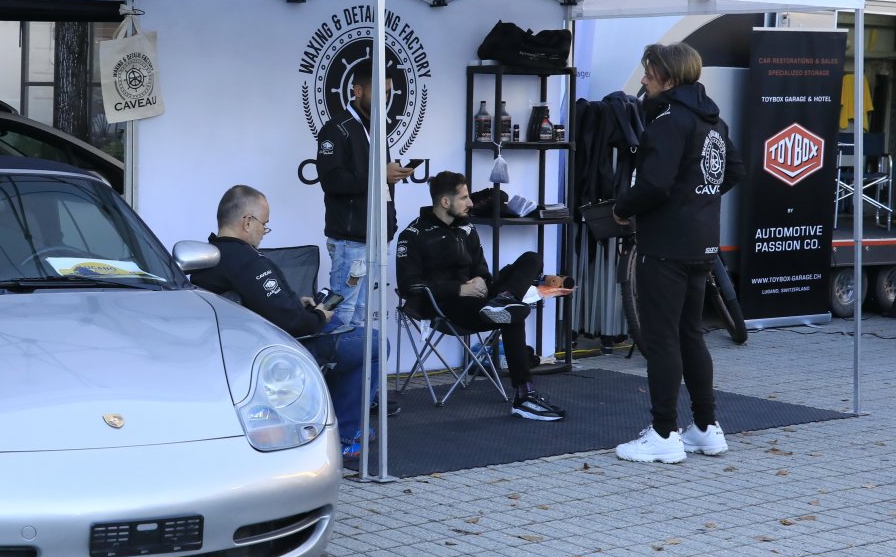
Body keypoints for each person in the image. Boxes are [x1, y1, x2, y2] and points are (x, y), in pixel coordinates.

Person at [612, 42, 744, 464]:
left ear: (668, 78)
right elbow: (733, 171)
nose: (644, 79)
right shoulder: (713, 120)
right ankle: (706, 428)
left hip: (667, 244)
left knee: (662, 338)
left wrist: (621, 208)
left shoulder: (670, 119)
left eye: (649, 73)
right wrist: (698, 199)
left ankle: (664, 433)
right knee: (690, 334)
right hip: (701, 242)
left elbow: (654, 184)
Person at [191, 184, 372, 461]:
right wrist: (319, 315)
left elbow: (262, 304)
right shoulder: (248, 262)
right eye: (264, 225)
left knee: (345, 332)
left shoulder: (208, 256)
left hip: (243, 347)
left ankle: (331, 419)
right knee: (372, 343)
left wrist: (298, 303)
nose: (264, 231)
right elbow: (293, 323)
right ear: (247, 222)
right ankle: (345, 436)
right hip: (283, 348)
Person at [395, 171, 569, 421]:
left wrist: (482, 281)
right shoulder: (413, 234)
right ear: (445, 201)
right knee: (512, 314)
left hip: (484, 300)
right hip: (447, 306)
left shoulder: (467, 228)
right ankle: (524, 395)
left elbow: (483, 271)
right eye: (464, 198)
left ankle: (505, 297)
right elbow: (408, 286)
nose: (470, 203)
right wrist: (460, 289)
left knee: (532, 259)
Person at [316, 62, 414, 331]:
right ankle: (332, 358)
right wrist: (379, 175)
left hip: (377, 238)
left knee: (360, 317)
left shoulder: (376, 128)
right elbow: (332, 181)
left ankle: (354, 361)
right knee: (342, 315)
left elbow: (381, 185)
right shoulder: (336, 129)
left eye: (388, 93)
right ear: (358, 90)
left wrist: (390, 224)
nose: (385, 99)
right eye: (379, 92)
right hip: (351, 241)